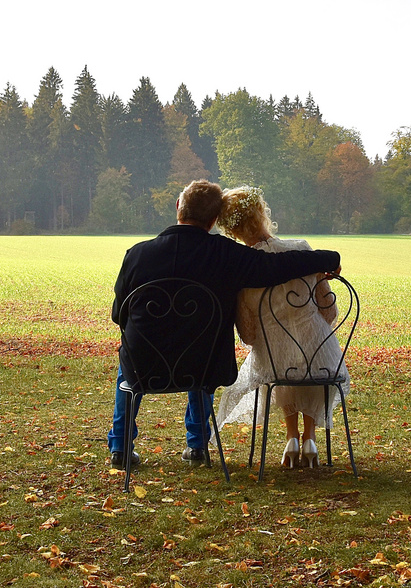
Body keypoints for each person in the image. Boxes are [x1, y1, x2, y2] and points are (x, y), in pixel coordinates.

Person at [109, 179, 340, 469]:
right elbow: (278, 265)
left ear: (178, 207)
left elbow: (119, 314)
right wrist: (329, 258)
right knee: (199, 349)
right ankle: (196, 446)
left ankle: (120, 447)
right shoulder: (224, 253)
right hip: (201, 368)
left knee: (127, 362)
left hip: (144, 368)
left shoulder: (137, 254)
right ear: (215, 220)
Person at [215, 186, 347, 470]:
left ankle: (291, 436)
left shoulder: (243, 267)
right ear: (262, 213)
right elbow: (330, 309)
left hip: (274, 360)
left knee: (275, 357)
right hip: (321, 354)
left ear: (232, 231)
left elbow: (249, 334)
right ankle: (310, 436)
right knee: (309, 355)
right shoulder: (301, 249)